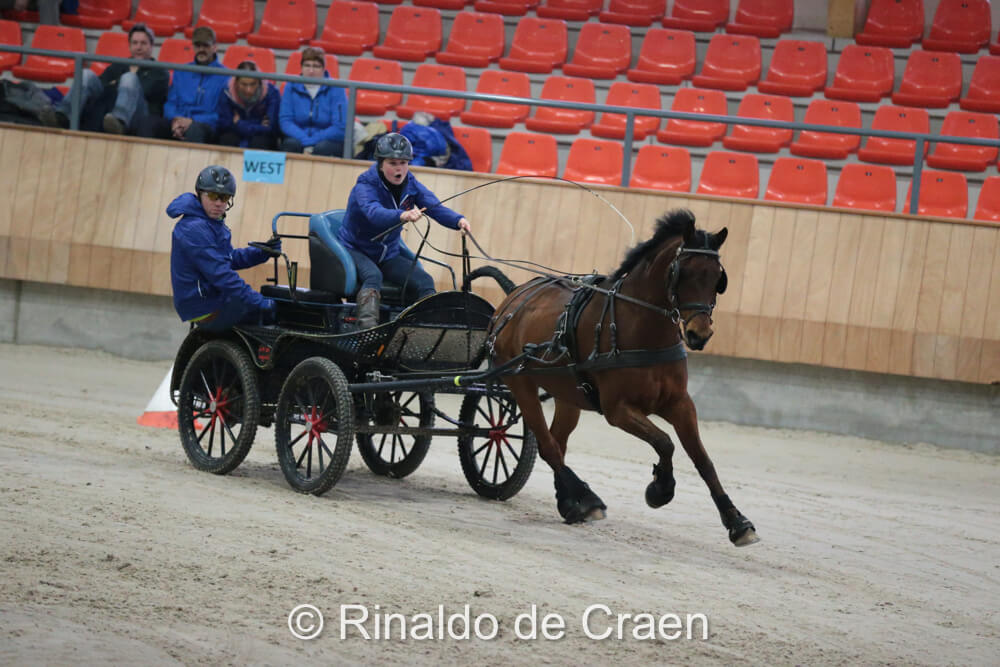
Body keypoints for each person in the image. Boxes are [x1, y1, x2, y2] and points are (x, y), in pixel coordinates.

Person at [337, 132, 471, 329]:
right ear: (380, 164)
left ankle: (427, 328)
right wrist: (402, 215)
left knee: (424, 280)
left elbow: (434, 207)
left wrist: (458, 220)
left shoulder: (411, 183)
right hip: (356, 249)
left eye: (403, 163)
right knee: (373, 276)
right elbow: (373, 213)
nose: (399, 168)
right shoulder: (365, 185)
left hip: (388, 254)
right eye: (392, 163)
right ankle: (366, 328)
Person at [168, 165, 279, 332]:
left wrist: (261, 253)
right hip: (203, 304)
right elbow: (220, 273)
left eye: (225, 197)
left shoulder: (211, 223)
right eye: (213, 196)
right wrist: (259, 301)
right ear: (200, 194)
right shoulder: (194, 228)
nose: (219, 203)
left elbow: (227, 258)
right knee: (272, 314)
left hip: (211, 297)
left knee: (266, 305)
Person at [41, 23, 168, 134]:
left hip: (139, 116)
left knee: (129, 78)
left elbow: (140, 91)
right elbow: (101, 85)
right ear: (129, 46)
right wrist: (120, 85)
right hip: (108, 114)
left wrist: (117, 83)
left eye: (143, 43)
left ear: (151, 46)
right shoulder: (119, 65)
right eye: (135, 43)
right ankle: (62, 116)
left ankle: (119, 122)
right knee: (86, 74)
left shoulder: (160, 71)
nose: (138, 47)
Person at [136, 26, 226, 144]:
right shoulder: (181, 71)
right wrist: (176, 120)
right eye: (197, 46)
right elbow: (170, 103)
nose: (201, 49)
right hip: (178, 121)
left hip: (205, 126)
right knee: (147, 123)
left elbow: (221, 115)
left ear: (215, 47)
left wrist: (191, 121)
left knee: (194, 130)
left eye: (205, 46)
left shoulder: (225, 76)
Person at [279, 47, 347, 157]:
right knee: (290, 145)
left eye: (316, 66)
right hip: (298, 138)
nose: (311, 71)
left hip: (327, 141)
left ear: (323, 68)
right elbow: (286, 121)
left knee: (322, 148)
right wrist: (305, 140)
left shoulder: (337, 88)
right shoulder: (290, 86)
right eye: (307, 65)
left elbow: (340, 127)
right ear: (301, 67)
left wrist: (313, 140)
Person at [216, 61, 280, 150]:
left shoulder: (272, 93)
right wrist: (258, 126)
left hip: (260, 138)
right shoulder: (226, 92)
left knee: (260, 141)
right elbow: (224, 124)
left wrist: (239, 124)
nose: (248, 90)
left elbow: (270, 129)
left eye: (253, 84)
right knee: (227, 139)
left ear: (259, 82)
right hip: (236, 134)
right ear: (236, 82)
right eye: (244, 84)